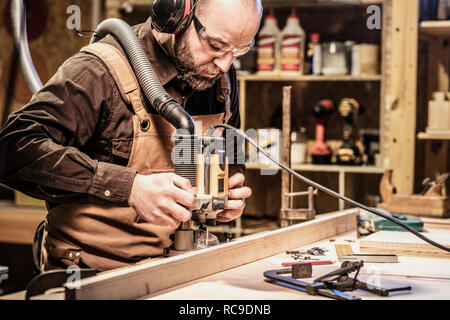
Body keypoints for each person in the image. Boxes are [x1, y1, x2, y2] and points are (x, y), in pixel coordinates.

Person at [0, 0, 262, 272]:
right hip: (90, 276)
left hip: (174, 272)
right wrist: (132, 188)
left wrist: (227, 187)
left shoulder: (221, 77)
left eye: (239, 49)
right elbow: (13, 148)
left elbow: (231, 146)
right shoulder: (97, 71)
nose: (225, 63)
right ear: (175, 16)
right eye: (217, 45)